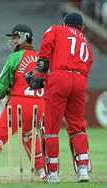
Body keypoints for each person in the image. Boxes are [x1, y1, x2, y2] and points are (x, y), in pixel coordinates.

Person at [27, 12, 93, 183]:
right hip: (80, 80)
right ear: (82, 27)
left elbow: (45, 52)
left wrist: (38, 76)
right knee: (77, 126)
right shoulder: (85, 41)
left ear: (65, 24)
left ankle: (53, 173)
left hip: (60, 77)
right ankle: (83, 169)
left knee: (51, 128)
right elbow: (88, 62)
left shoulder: (56, 30)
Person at [0, 24, 46, 180]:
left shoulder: (14, 58)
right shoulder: (41, 58)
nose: (12, 41)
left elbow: (3, 85)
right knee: (29, 137)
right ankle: (42, 171)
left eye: (14, 37)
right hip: (40, 104)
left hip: (18, 104)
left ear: (23, 37)